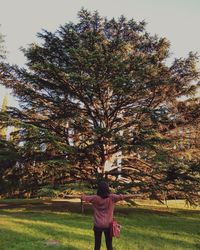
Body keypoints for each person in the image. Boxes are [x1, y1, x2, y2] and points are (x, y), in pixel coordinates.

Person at [81, 181, 134, 250]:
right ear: (107, 188)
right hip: (108, 225)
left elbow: (83, 197)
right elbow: (123, 196)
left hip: (97, 225)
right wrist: (138, 195)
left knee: (97, 245)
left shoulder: (95, 198)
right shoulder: (112, 197)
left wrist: (79, 196)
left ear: (99, 189)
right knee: (109, 245)